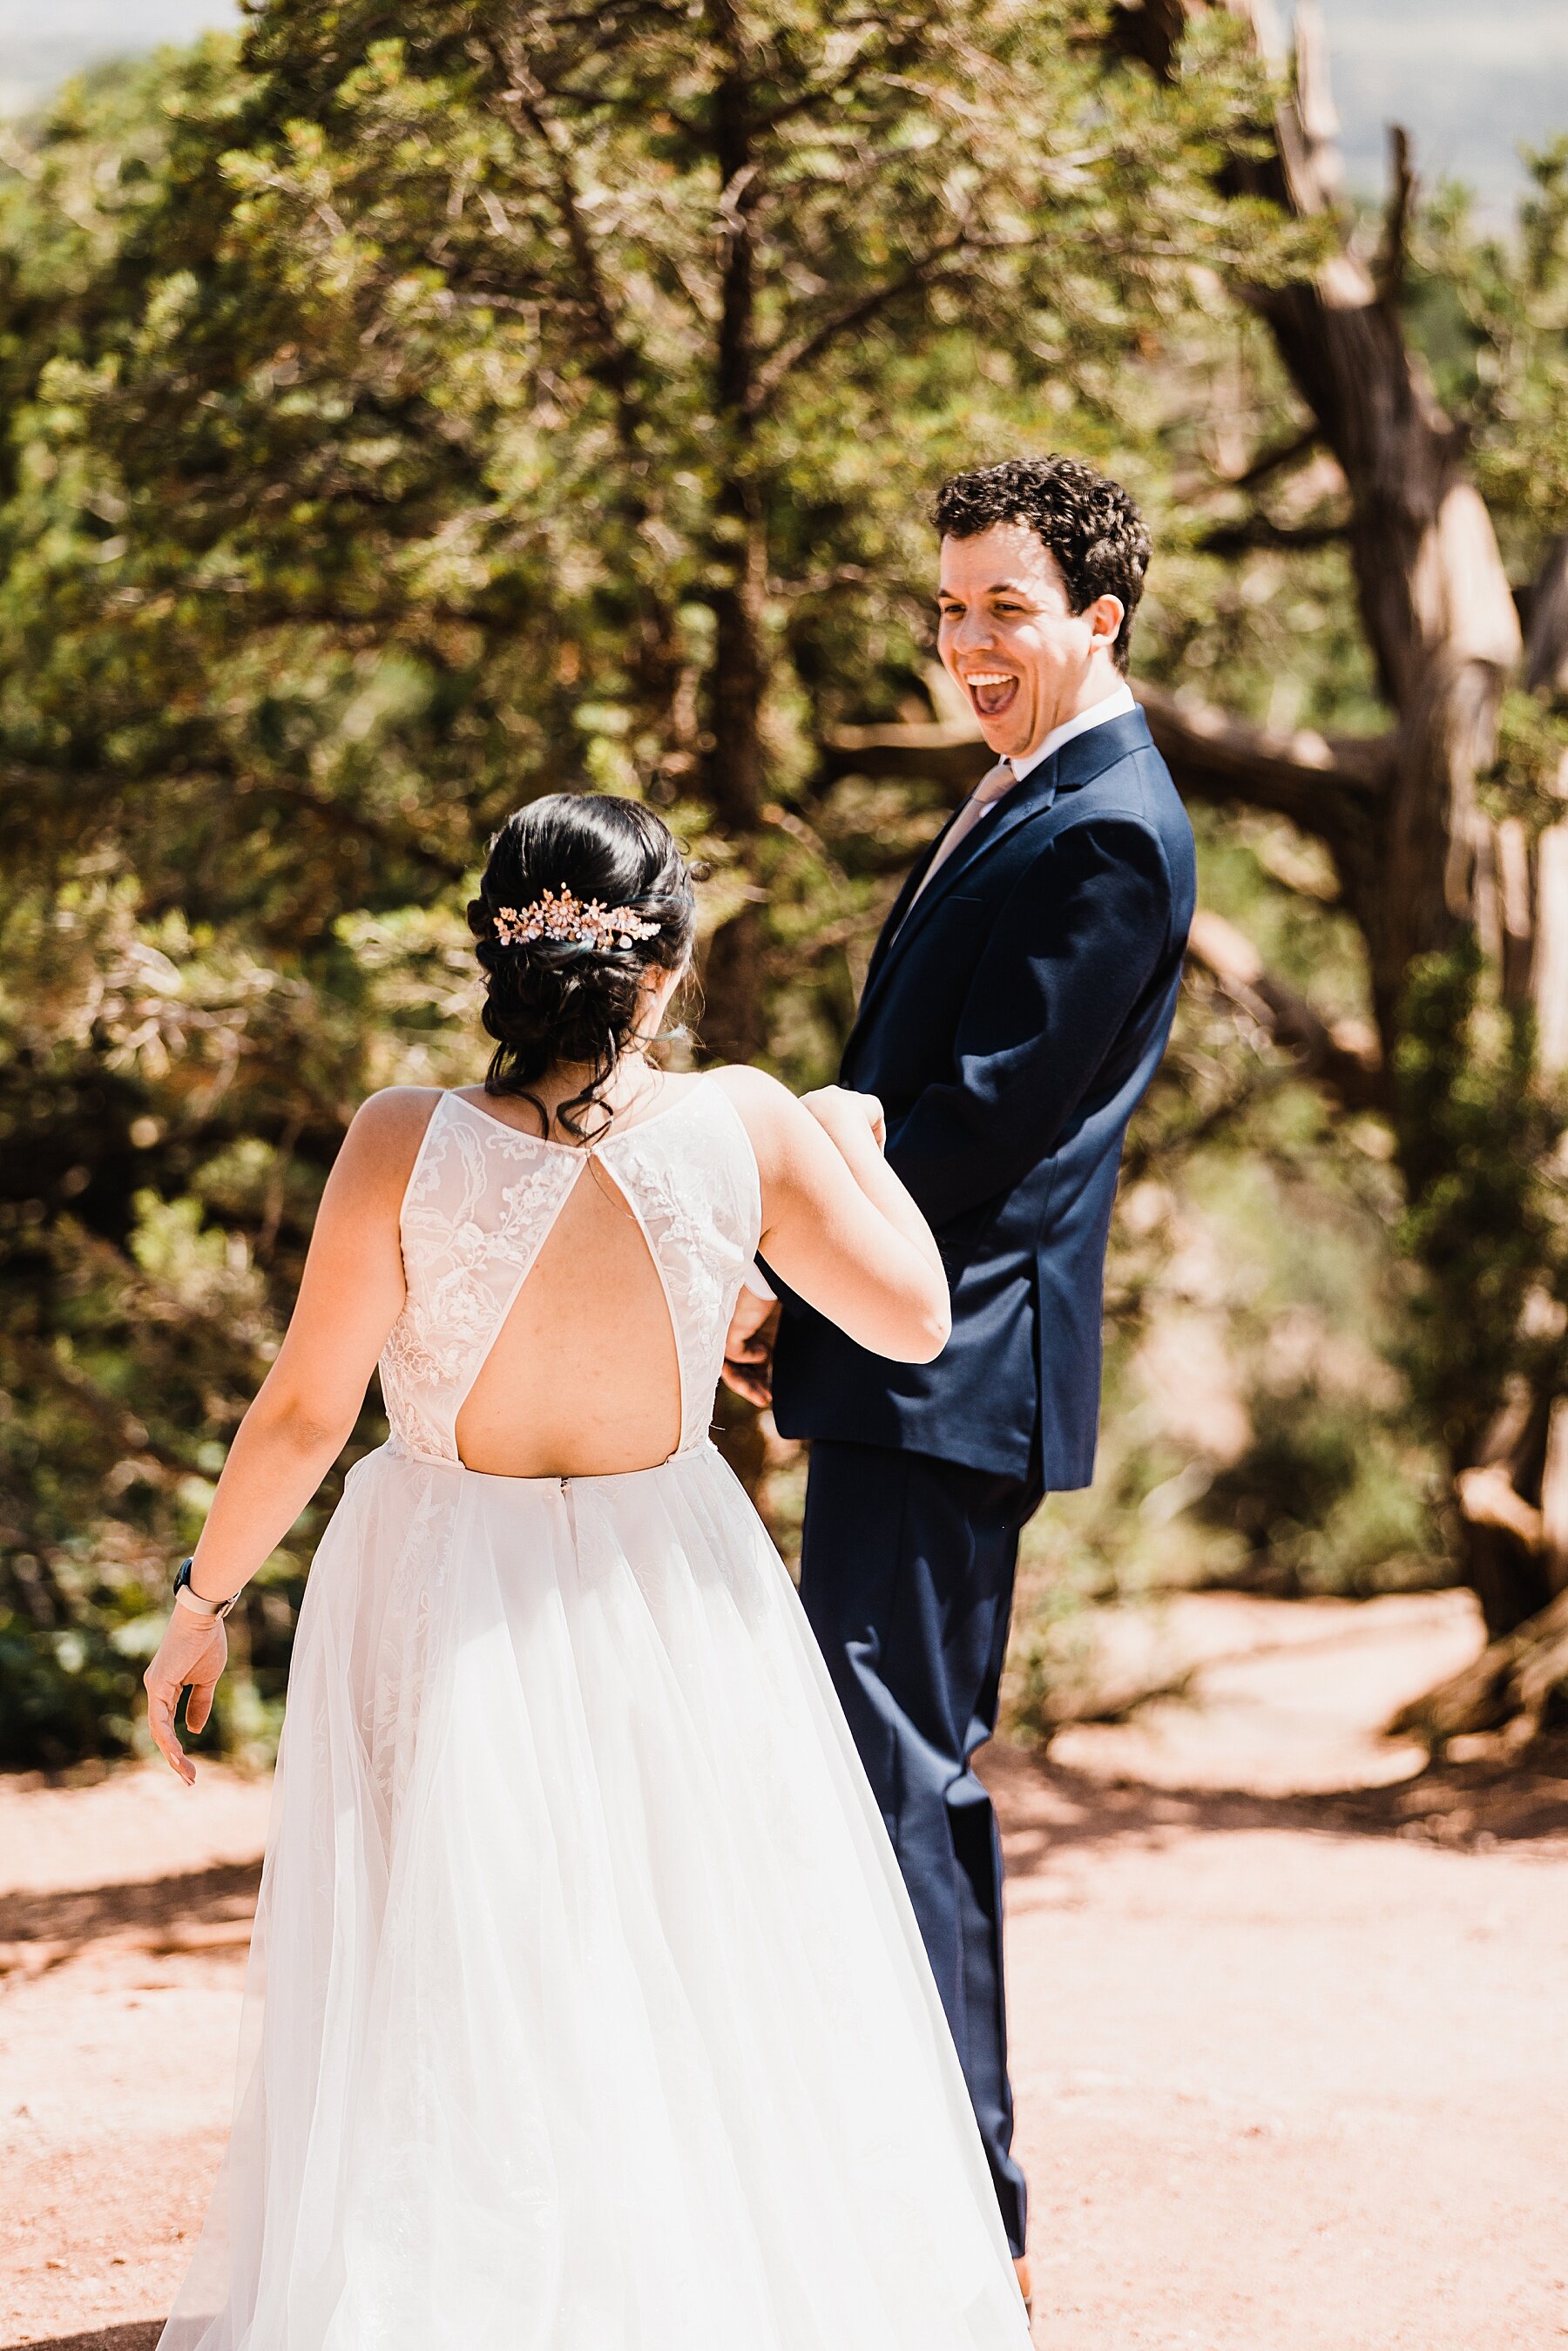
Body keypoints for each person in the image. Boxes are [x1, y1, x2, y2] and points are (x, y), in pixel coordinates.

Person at [141, 793, 1030, 2351]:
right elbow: (914, 1318)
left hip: (437, 1581)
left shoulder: (402, 1139)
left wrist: (200, 1606)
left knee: (451, 1950)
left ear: (493, 953)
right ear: (667, 969)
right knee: (673, 1948)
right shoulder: (747, 1122)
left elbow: (300, 1412)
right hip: (667, 1585)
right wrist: (849, 1133)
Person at [725, 456, 1197, 2302]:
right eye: (946, 610)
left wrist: (789, 1256)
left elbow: (974, 1136)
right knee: (873, 1775)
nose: (966, 645)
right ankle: (905, 2200)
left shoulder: (1106, 826)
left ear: (1100, 618)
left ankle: (963, 2223)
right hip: (898, 1350)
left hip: (950, 1362)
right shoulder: (1031, 790)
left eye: (1006, 609)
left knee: (901, 1780)